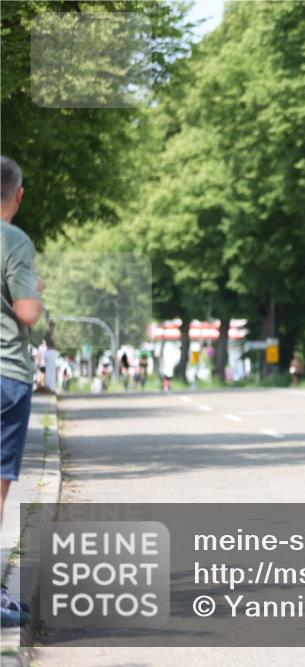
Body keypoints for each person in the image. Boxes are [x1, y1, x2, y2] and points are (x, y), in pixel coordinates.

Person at [1, 156, 43, 626]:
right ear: (19, 194)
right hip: (5, 374)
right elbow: (27, 313)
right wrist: (36, 293)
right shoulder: (13, 240)